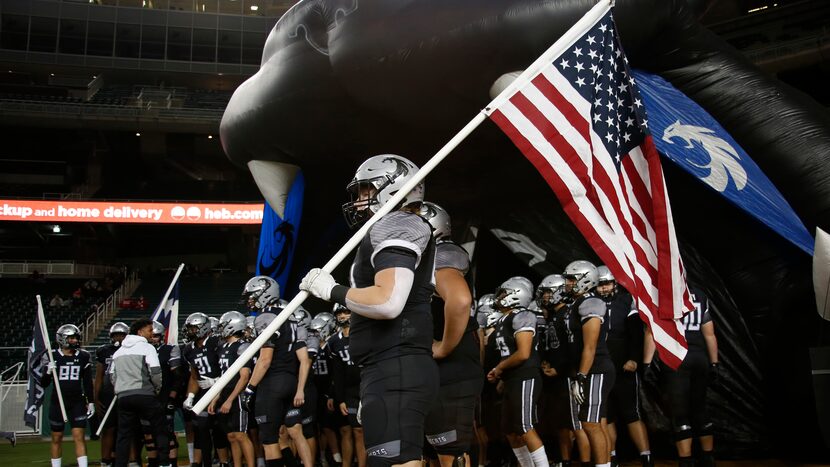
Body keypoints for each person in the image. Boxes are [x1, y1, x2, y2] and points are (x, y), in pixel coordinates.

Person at [300, 154, 439, 467]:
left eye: (366, 190)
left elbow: (389, 302)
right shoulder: (396, 225)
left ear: (393, 187)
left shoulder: (397, 223)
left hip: (396, 368)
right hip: (389, 369)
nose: (360, 199)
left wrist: (331, 291)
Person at [418, 201, 482, 467]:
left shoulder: (440, 255)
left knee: (451, 455)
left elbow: (460, 300)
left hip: (450, 372)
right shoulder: (417, 263)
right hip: (438, 374)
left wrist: (443, 347)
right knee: (433, 454)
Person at [241, 276, 314, 467]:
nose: (250, 300)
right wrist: (299, 389)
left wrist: (250, 388)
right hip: (290, 381)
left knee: (269, 441)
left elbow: (265, 360)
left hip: (272, 384)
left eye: (252, 296)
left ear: (263, 294)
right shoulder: (290, 317)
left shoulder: (265, 317)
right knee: (291, 433)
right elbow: (304, 359)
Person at [644, 285, 719, 467]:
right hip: (699, 356)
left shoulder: (663, 295)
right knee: (700, 407)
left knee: (680, 412)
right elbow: (709, 334)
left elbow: (651, 332)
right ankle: (708, 457)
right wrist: (714, 363)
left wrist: (646, 363)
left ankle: (685, 460)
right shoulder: (700, 295)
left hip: (676, 357)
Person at [486, 276, 549, 467]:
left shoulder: (523, 315)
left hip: (525, 376)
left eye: (504, 293)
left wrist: (499, 369)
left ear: (516, 295)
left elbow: (523, 354)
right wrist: (503, 377)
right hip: (513, 378)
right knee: (510, 430)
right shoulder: (504, 318)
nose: (500, 296)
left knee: (524, 426)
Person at [594, 266, 652, 467]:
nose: (603, 288)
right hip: (601, 367)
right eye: (600, 284)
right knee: (606, 415)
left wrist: (634, 358)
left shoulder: (627, 301)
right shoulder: (591, 304)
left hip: (623, 367)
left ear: (615, 283)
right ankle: (611, 456)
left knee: (632, 413)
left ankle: (646, 456)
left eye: (607, 283)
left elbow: (636, 334)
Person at [563, 260, 615, 467]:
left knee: (591, 423)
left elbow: (590, 346)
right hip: (591, 369)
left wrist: (581, 376)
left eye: (571, 279)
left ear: (585, 280)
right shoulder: (578, 302)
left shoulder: (590, 302)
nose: (567, 283)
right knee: (596, 422)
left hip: (596, 369)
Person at [110, 318, 171, 467]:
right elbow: (156, 371)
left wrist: (121, 390)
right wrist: (156, 389)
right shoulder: (147, 348)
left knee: (123, 434)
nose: (152, 333)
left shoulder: (118, 352)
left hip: (123, 396)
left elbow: (112, 376)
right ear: (140, 332)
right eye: (150, 330)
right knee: (160, 428)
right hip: (145, 394)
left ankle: (120, 464)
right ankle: (164, 463)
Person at [182, 312, 230, 467]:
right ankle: (206, 463)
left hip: (222, 391)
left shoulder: (216, 342)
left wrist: (217, 381)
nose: (190, 332)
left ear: (204, 328)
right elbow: (194, 376)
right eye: (189, 328)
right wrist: (190, 395)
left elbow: (228, 366)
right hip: (203, 393)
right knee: (202, 429)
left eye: (193, 328)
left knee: (220, 430)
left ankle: (224, 462)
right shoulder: (189, 349)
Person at [43, 324, 94, 467]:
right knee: (56, 437)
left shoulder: (83, 356)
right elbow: (44, 383)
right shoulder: (52, 355)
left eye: (75, 338)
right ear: (62, 339)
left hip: (77, 401)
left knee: (79, 436)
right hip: (57, 401)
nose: (74, 341)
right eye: (71, 338)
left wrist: (90, 401)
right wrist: (48, 371)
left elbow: (88, 382)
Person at [210, 311, 256, 467]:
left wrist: (230, 400)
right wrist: (216, 397)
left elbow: (244, 377)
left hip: (237, 395)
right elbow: (222, 376)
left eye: (224, 325)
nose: (221, 329)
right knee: (231, 436)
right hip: (225, 393)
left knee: (241, 435)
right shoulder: (223, 347)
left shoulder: (243, 346)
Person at [327, 304, 364, 467]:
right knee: (355, 430)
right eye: (339, 313)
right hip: (349, 392)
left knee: (367, 431)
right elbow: (337, 372)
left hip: (367, 387)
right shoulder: (334, 341)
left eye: (346, 312)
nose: (342, 316)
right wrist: (340, 398)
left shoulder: (364, 334)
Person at [149, 321, 183, 467]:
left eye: (156, 336)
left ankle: (171, 463)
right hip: (149, 397)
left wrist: (172, 398)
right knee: (149, 434)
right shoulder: (145, 350)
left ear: (162, 336)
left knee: (168, 432)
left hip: (165, 396)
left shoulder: (170, 349)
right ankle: (154, 463)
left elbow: (177, 377)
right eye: (151, 335)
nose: (153, 338)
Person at [95, 322, 129, 467]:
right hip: (108, 393)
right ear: (111, 336)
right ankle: (105, 460)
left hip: (125, 392)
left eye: (122, 335)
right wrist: (96, 398)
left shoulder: (130, 350)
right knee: (108, 429)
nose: (119, 338)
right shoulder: (104, 351)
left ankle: (129, 460)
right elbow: (99, 376)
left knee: (127, 429)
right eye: (116, 335)